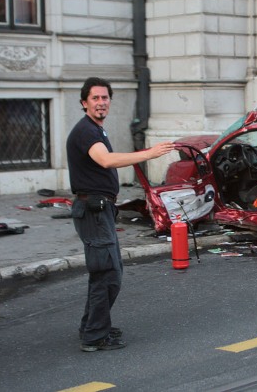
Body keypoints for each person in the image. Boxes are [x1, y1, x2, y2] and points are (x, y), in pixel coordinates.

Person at [67, 77, 175, 352]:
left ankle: (94, 326)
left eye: (105, 98)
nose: (101, 102)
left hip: (100, 210)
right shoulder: (86, 132)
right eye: (95, 98)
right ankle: (93, 336)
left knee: (107, 272)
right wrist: (149, 153)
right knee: (107, 273)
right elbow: (106, 160)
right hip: (93, 211)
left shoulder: (95, 130)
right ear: (84, 103)